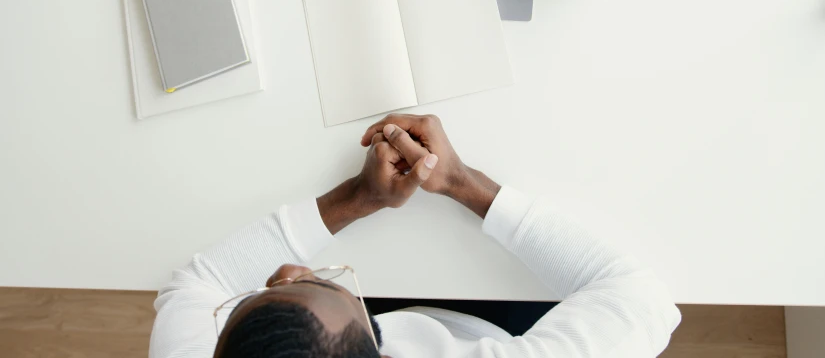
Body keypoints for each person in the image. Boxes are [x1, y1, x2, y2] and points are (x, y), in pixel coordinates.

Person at [149, 114, 681, 358]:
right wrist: (462, 183)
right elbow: (640, 298)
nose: (288, 270)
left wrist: (359, 197)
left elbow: (200, 284)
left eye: (259, 297)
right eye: (321, 283)